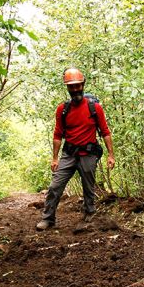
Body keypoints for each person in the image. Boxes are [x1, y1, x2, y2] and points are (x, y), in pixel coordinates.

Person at [36, 67, 115, 230]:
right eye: (71, 86)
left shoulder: (95, 108)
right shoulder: (62, 109)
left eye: (77, 85)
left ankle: (89, 214)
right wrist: (55, 158)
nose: (75, 89)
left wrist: (111, 155)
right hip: (69, 154)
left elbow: (105, 132)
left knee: (89, 187)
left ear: (83, 84)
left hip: (88, 153)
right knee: (55, 186)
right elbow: (58, 134)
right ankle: (48, 218)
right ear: (67, 87)